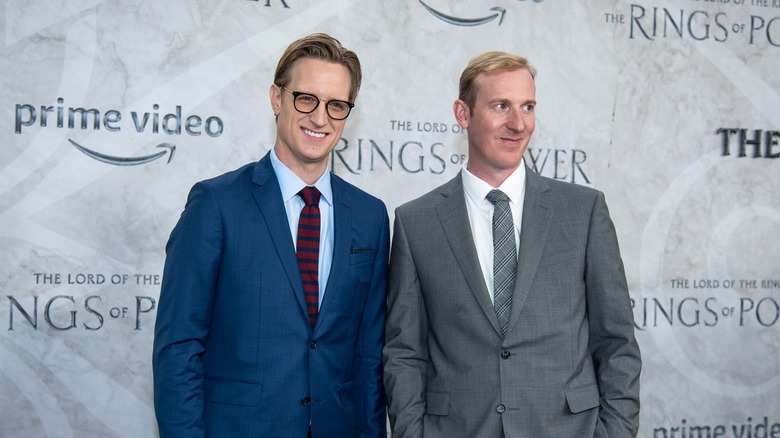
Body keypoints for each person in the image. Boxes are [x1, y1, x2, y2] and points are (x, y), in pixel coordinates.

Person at [383, 51, 641, 437]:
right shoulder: (416, 222)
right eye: (501, 106)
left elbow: (617, 342)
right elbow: (404, 353)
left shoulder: (583, 211)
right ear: (463, 113)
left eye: (528, 107)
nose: (518, 124)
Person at [153, 33, 389, 438]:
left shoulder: (370, 216)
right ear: (277, 99)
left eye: (336, 105)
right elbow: (179, 347)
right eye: (306, 99)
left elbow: (369, 355)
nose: (320, 118)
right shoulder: (216, 204)